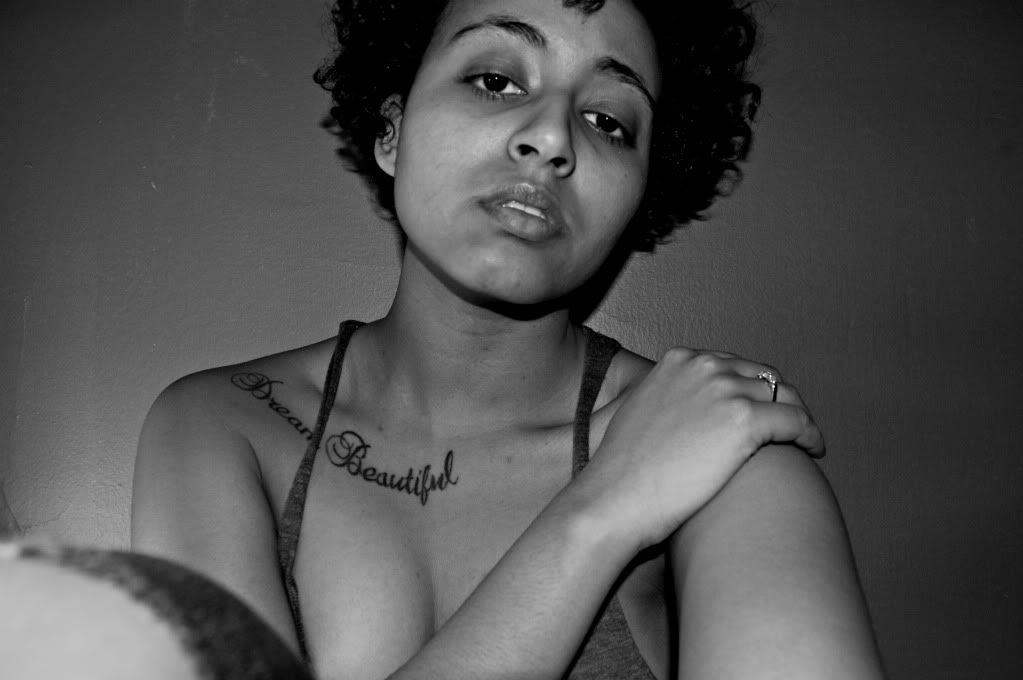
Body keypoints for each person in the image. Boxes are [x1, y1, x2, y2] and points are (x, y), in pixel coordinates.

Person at [132, 0, 885, 678]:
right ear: (391, 131)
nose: (552, 137)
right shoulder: (225, 425)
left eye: (608, 121)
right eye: (495, 81)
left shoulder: (723, 444)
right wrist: (602, 511)